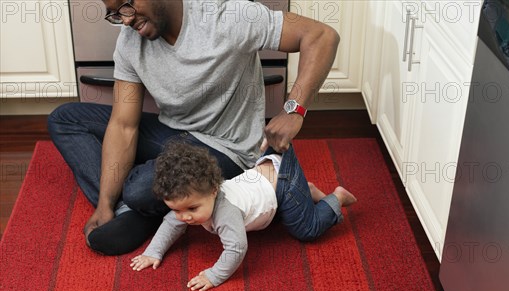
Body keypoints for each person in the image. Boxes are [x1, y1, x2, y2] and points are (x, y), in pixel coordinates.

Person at [47, 0, 340, 255]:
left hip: (227, 150)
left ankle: (153, 202)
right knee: (66, 119)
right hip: (174, 134)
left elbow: (321, 36)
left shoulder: (228, 16)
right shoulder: (129, 42)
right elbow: (124, 125)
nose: (125, 20)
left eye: (127, 5)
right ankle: (163, 204)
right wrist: (104, 204)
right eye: (115, 14)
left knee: (138, 188)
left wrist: (294, 109)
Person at [130, 141, 356, 291]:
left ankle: (336, 197)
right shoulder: (197, 198)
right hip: (265, 171)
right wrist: (153, 252)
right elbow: (171, 223)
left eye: (192, 209)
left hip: (282, 186)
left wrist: (214, 275)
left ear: (214, 191)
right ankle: (306, 190)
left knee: (307, 230)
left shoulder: (226, 213)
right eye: (177, 209)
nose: (184, 217)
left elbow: (237, 248)